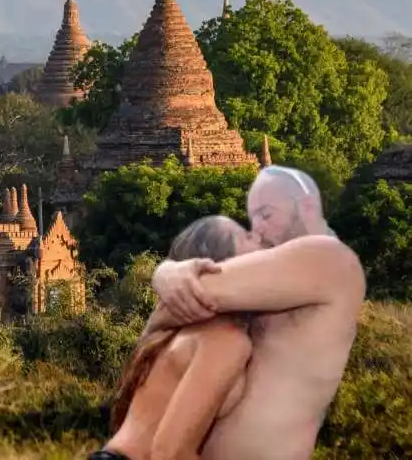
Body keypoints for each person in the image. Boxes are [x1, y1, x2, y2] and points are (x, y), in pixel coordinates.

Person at [147, 166, 366, 459]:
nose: (257, 230)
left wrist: (165, 274)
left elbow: (188, 296)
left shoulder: (328, 257)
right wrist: (167, 274)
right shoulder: (275, 279)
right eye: (253, 219)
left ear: (307, 208)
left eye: (266, 214)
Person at [91, 215, 259, 460]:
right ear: (218, 270)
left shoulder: (176, 332)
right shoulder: (225, 340)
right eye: (246, 237)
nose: (256, 240)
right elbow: (170, 453)